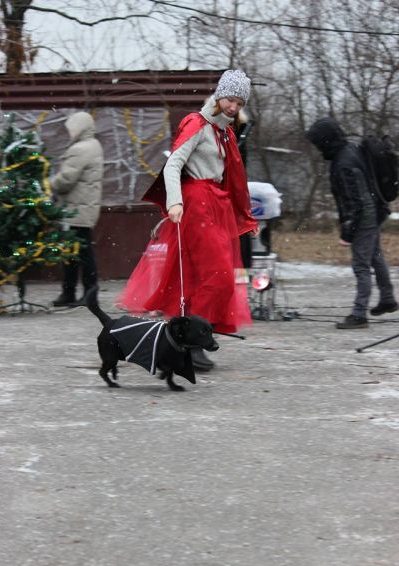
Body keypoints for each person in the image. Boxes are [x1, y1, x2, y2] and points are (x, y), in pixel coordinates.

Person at [117, 69, 259, 370]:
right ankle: (192, 342)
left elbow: (230, 178)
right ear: (219, 95)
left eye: (239, 103)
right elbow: (173, 165)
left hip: (215, 205)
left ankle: (187, 339)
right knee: (217, 274)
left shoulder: (224, 132)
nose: (233, 107)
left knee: (211, 276)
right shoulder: (198, 124)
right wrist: (175, 201)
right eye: (230, 99)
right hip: (196, 204)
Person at [306, 117, 398, 329]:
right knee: (375, 256)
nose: (318, 148)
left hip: (366, 215)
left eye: (318, 143)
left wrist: (348, 233)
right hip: (376, 210)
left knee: (361, 264)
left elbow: (357, 202)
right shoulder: (350, 149)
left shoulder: (343, 163)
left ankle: (359, 314)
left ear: (325, 141)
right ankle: (387, 299)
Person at [51, 111, 104, 307]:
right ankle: (85, 293)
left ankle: (74, 293)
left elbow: (66, 180)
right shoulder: (94, 145)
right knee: (80, 252)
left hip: (75, 210)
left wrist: (48, 184)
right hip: (83, 208)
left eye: (71, 129)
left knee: (76, 253)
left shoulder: (81, 149)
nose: (69, 133)